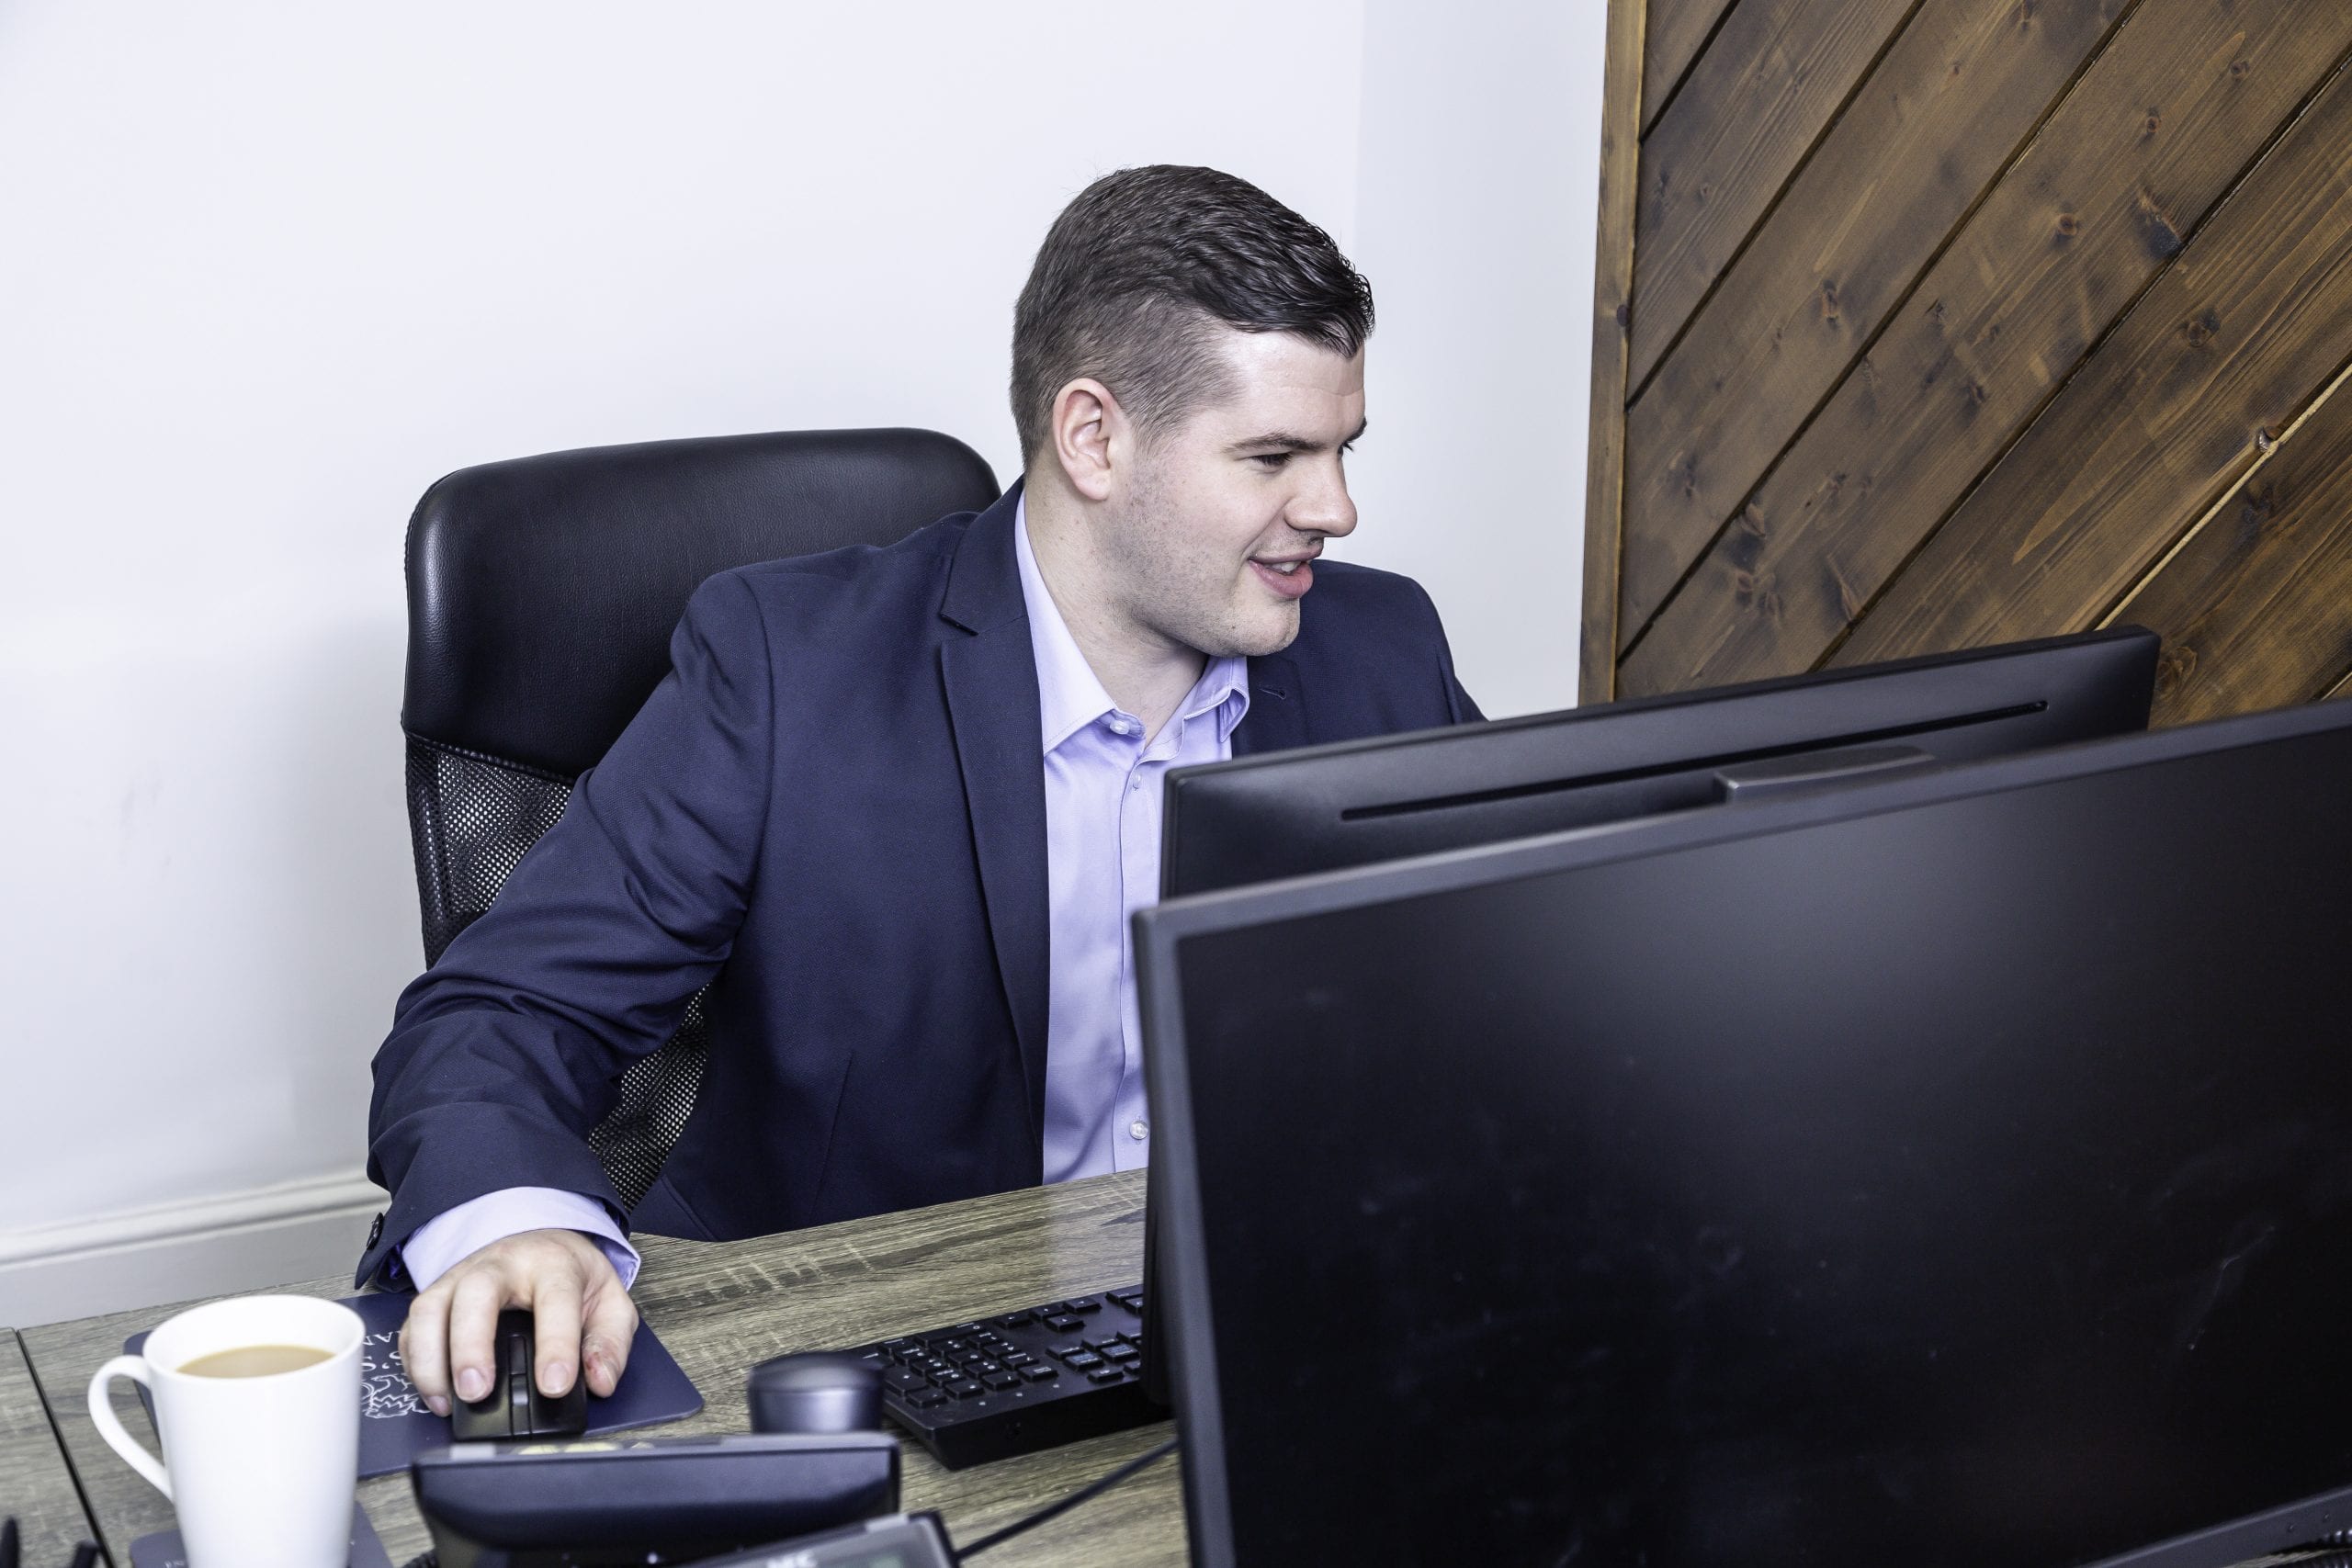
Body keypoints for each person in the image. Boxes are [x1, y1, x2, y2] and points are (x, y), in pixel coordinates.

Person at [361, 164, 1481, 1418]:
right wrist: (517, 1226)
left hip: (1271, 1343)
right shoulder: (788, 665)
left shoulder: (1380, 651)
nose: (1335, 508)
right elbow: (499, 1018)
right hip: (865, 1366)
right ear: (1093, 436)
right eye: (1275, 455)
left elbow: (1513, 989)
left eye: (1341, 449)